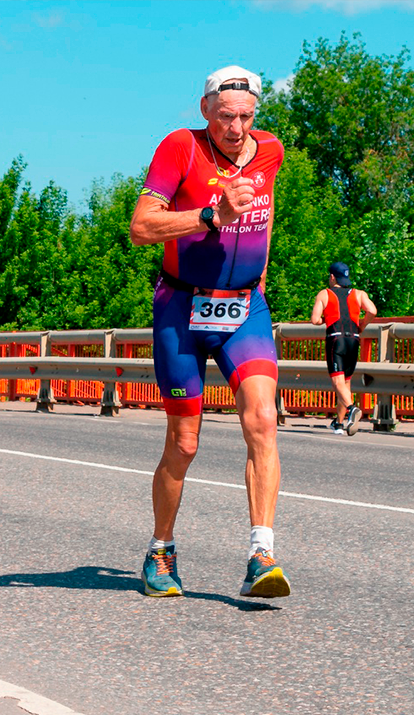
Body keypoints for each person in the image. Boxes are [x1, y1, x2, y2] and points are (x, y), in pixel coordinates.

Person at [129, 65, 289, 598]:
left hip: (245, 310)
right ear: (205, 111)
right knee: (185, 442)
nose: (236, 128)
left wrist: (259, 276)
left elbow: (265, 217)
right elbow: (141, 228)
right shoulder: (181, 147)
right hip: (182, 308)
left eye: (246, 116)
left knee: (263, 419)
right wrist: (208, 215)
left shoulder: (271, 151)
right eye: (225, 117)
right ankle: (161, 549)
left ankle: (261, 554)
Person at [310, 262, 377, 436]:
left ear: (332, 277)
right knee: (346, 382)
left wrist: (326, 319)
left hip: (336, 339)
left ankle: (352, 408)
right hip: (353, 339)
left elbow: (315, 319)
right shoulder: (359, 294)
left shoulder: (325, 294)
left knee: (337, 382)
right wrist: (361, 325)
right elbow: (372, 310)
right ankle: (339, 423)